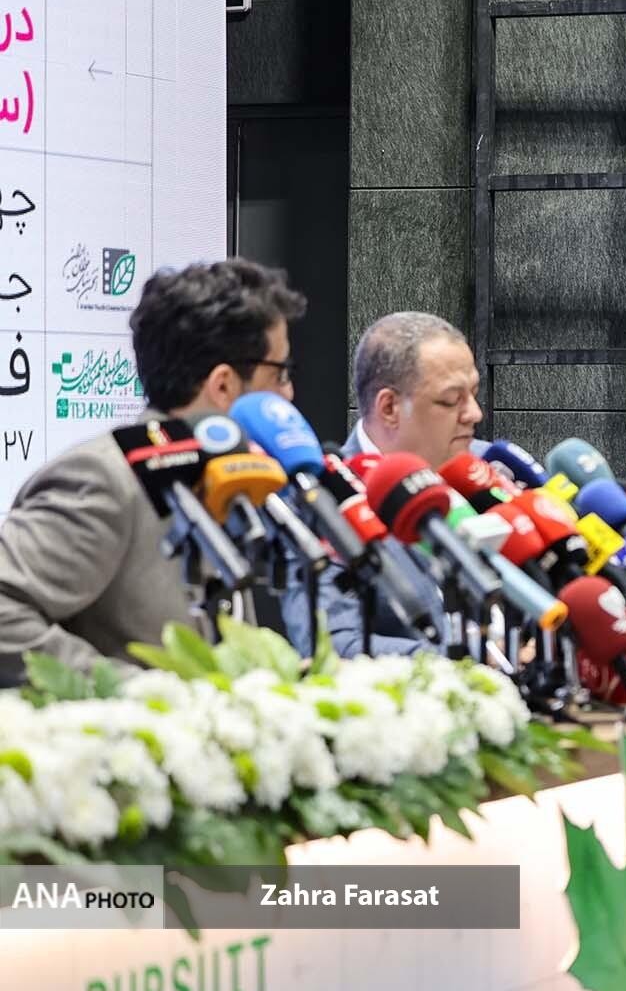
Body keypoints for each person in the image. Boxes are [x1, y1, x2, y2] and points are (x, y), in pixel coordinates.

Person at [0, 259, 306, 684]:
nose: (289, 392)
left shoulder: (224, 476)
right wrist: (135, 694)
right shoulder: (106, 477)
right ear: (223, 385)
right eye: (280, 372)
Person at [283, 311, 479, 655]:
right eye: (451, 400)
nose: (475, 413)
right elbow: (335, 645)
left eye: (475, 394)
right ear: (389, 408)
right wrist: (473, 661)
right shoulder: (326, 503)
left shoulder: (488, 470)